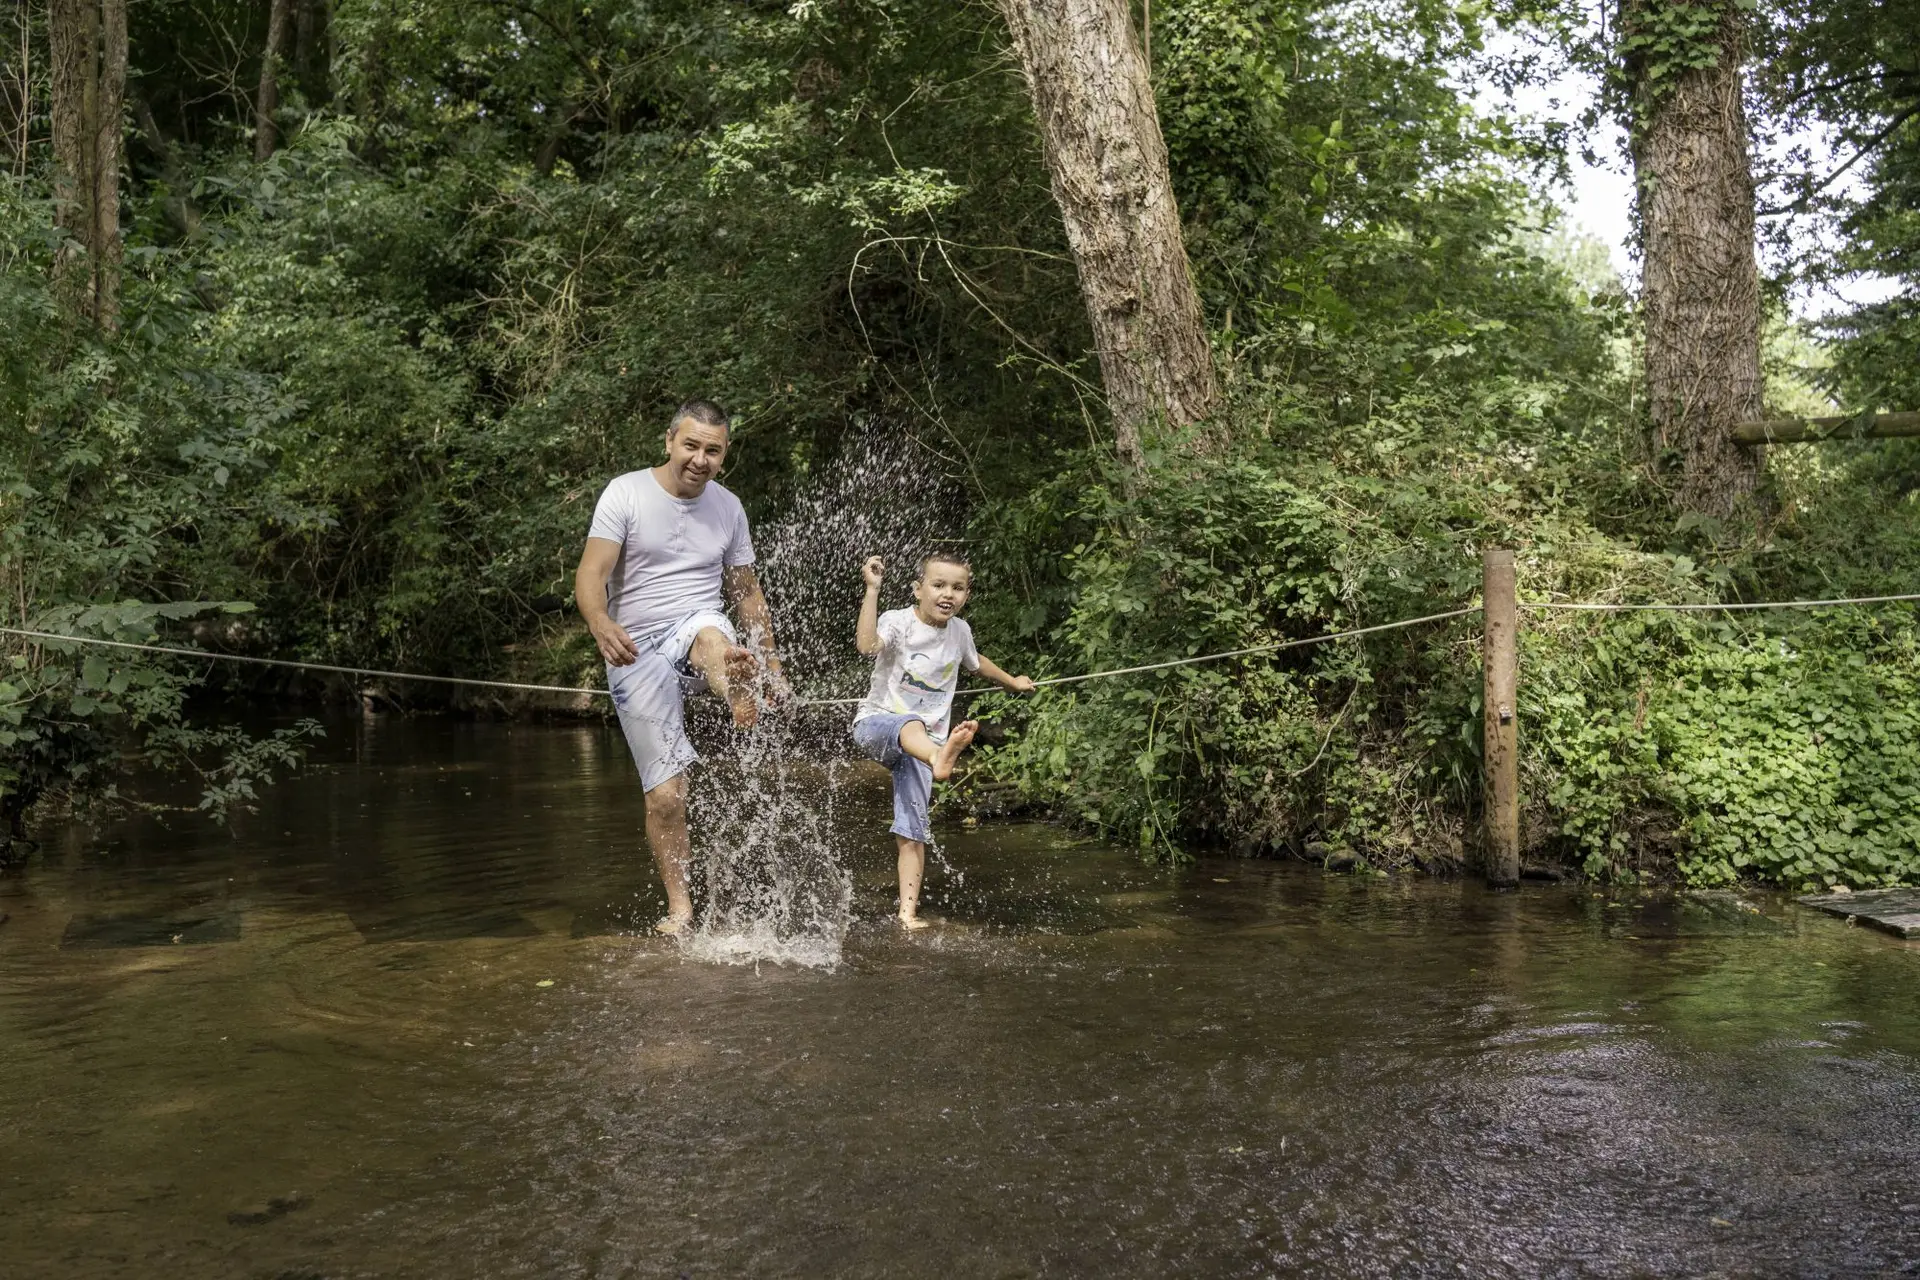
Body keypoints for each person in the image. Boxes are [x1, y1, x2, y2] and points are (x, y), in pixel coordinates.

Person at [574, 400, 790, 935]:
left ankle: (733, 677)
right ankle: (680, 907)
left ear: (725, 454)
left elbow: (745, 591)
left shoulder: (729, 508)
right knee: (667, 796)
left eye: (712, 450)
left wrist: (772, 659)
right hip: (634, 649)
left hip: (696, 622)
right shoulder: (625, 493)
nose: (699, 459)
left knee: (711, 636)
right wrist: (600, 622)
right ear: (669, 440)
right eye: (690, 445)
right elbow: (591, 572)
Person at [851, 552, 1034, 930]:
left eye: (958, 587)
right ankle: (940, 756)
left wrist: (1013, 681)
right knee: (910, 723)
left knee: (912, 829)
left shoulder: (960, 632)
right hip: (878, 725)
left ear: (966, 594)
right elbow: (867, 646)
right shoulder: (898, 622)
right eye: (938, 585)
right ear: (919, 589)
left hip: (925, 748)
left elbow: (975, 661)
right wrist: (872, 590)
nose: (947, 593)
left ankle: (907, 915)